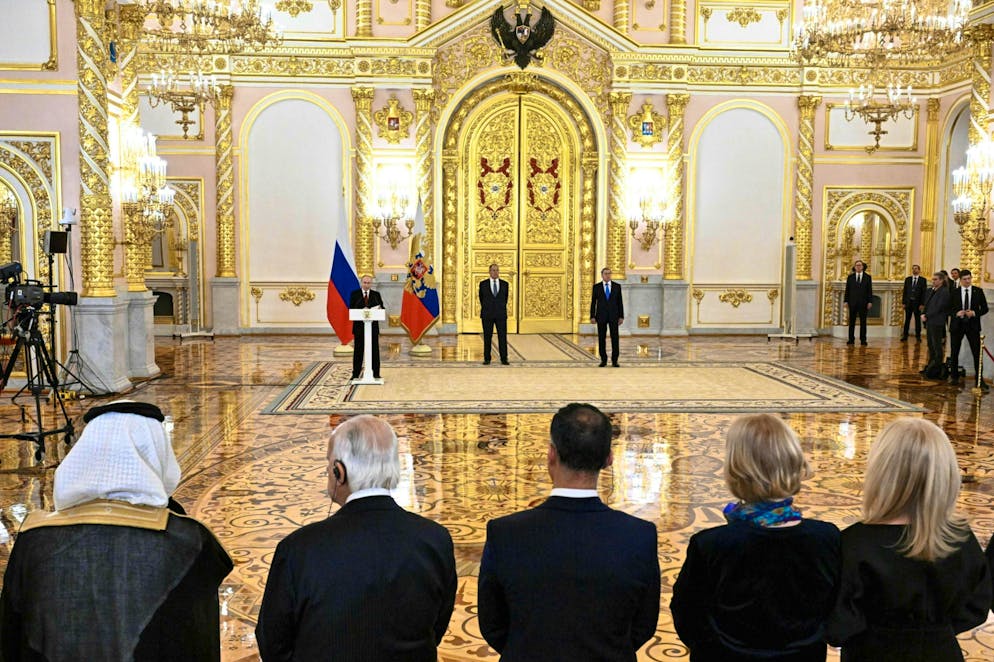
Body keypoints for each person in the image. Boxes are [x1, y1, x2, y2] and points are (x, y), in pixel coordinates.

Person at [0, 401, 233, 662]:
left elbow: (10, 640)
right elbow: (199, 645)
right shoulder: (189, 541)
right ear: (157, 454)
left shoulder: (33, 539)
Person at [256, 415, 457, 662]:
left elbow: (273, 643)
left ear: (339, 472)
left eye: (329, 464)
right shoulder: (435, 539)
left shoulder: (298, 548)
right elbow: (436, 625)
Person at [478, 403, 660, 661]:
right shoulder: (640, 536)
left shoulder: (505, 533)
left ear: (551, 455)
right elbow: (644, 624)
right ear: (608, 459)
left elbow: (493, 624)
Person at [671, 414, 839, 661]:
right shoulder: (826, 538)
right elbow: (834, 611)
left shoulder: (712, 544)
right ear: (794, 463)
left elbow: (688, 616)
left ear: (735, 470)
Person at [826, 418, 992, 662]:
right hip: (941, 652)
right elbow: (976, 607)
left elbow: (839, 625)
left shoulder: (855, 542)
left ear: (880, 474)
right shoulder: (961, 538)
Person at [947, 269, 988, 388]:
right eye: (965, 279)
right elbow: (947, 309)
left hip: (973, 326)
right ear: (960, 280)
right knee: (954, 352)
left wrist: (974, 313)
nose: (967, 281)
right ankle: (954, 377)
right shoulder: (954, 292)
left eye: (969, 278)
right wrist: (956, 313)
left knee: (977, 353)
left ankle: (979, 380)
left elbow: (985, 308)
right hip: (957, 326)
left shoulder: (978, 291)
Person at [349, 275, 383, 380]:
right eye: (365, 282)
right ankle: (355, 373)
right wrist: (362, 310)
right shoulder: (355, 294)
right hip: (359, 328)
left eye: (368, 283)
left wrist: (379, 308)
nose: (366, 285)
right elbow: (351, 308)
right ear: (361, 283)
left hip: (372, 328)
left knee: (374, 351)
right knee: (358, 351)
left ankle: (376, 373)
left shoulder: (376, 295)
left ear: (371, 284)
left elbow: (381, 307)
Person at [590, 268, 624, 367]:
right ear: (602, 275)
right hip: (601, 316)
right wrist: (592, 316)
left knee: (615, 338)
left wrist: (621, 316)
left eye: (609, 273)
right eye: (606, 273)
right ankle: (603, 360)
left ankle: (615, 360)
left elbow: (620, 302)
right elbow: (593, 303)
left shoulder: (617, 286)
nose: (608, 275)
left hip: (614, 316)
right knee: (601, 338)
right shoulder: (596, 287)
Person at [920, 272, 951, 380]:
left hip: (937, 322)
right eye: (932, 279)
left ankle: (936, 368)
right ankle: (931, 366)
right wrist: (923, 313)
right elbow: (927, 304)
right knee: (931, 345)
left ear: (941, 280)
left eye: (935, 279)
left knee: (937, 346)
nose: (933, 281)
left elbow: (939, 307)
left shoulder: (944, 292)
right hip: (930, 321)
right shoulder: (932, 290)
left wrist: (927, 315)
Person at [479, 263, 509, 365]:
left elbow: (505, 299)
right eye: (493, 270)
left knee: (502, 336)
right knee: (487, 337)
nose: (495, 272)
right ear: (489, 272)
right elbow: (481, 298)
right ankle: (487, 358)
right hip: (487, 314)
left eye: (497, 270)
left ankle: (504, 358)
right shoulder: (483, 284)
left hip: (501, 314)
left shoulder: (505, 284)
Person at [844, 260, 872, 346]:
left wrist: (870, 301)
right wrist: (846, 301)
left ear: (862, 267)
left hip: (863, 303)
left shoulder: (868, 277)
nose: (858, 267)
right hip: (852, 303)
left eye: (860, 265)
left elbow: (869, 291)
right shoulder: (850, 277)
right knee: (851, 322)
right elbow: (847, 290)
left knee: (863, 322)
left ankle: (863, 339)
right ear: (854, 267)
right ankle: (851, 339)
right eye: (857, 265)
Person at [901, 264, 927, 341]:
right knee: (907, 320)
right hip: (908, 303)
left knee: (917, 320)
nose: (914, 270)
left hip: (917, 303)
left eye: (916, 268)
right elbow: (905, 291)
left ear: (919, 270)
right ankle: (905, 335)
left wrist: (922, 304)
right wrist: (903, 302)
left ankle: (918, 336)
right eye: (913, 269)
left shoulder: (923, 280)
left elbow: (924, 293)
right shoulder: (908, 279)